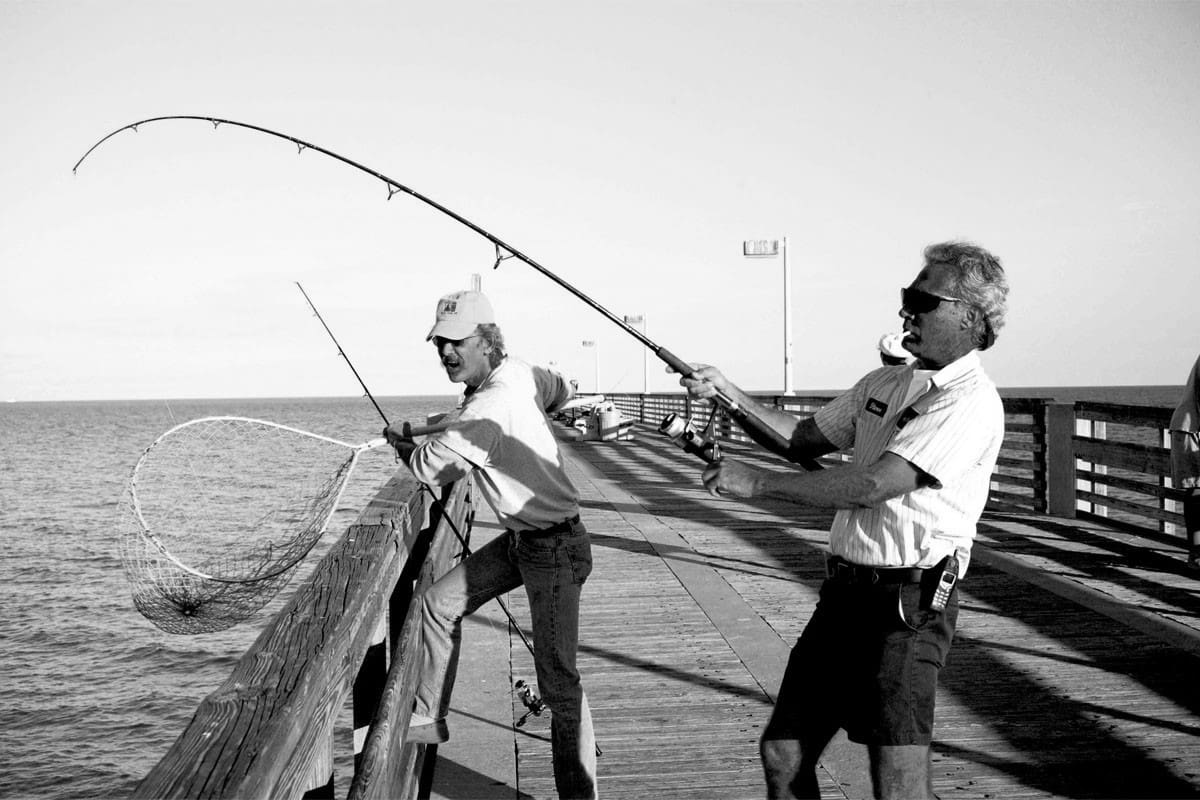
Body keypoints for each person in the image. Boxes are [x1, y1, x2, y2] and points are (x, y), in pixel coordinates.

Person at [678, 241, 1009, 799]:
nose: (906, 309)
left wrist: (756, 483)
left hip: (909, 604)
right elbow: (800, 438)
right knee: (784, 754)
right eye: (907, 295)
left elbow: (875, 484)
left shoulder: (971, 402)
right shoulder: (882, 384)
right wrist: (727, 391)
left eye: (920, 299)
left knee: (897, 783)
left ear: (969, 317)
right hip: (843, 596)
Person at [383, 289, 597, 799]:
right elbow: (559, 388)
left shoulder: (488, 408)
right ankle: (428, 718)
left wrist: (401, 444)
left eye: (456, 342)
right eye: (439, 344)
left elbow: (430, 467)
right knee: (437, 603)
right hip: (527, 542)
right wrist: (416, 427)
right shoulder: (516, 375)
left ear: (487, 340)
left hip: (555, 552)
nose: (446, 353)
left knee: (559, 686)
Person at [1169, 352, 1200, 572]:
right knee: (1197, 492)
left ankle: (1196, 554)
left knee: (1196, 493)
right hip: (1192, 428)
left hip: (1189, 425)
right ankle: (1196, 554)